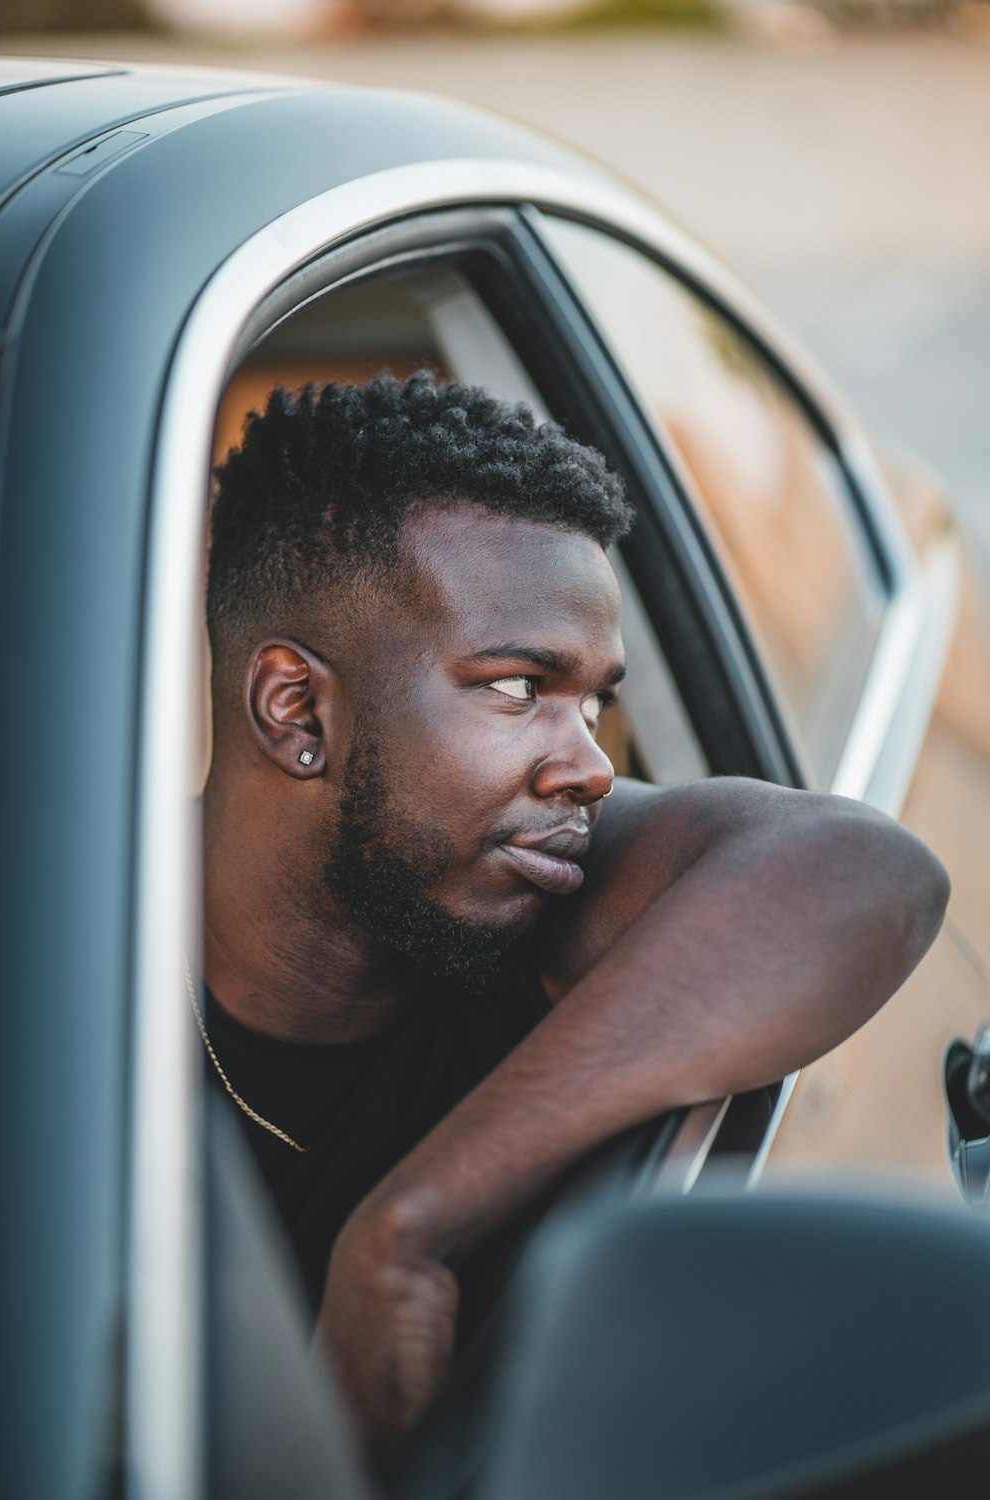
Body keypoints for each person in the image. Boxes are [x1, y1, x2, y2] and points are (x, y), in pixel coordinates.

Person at [200, 371, 949, 1459]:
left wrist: (406, 1233)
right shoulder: (54, 967)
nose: (591, 766)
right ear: (297, 709)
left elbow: (871, 873)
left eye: (595, 699)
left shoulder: (529, 884)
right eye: (517, 688)